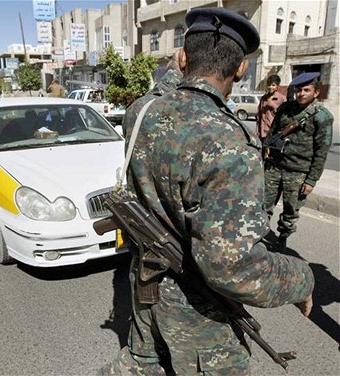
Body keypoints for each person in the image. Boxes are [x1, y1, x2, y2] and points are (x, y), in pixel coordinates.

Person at [100, 8, 314, 375]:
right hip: (197, 317)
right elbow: (233, 268)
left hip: (146, 289)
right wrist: (301, 279)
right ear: (242, 68)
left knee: (142, 365)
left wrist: (178, 69)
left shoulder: (142, 112)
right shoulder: (229, 142)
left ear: (182, 57)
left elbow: (163, 90)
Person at [263, 72, 334, 248]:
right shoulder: (285, 108)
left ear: (316, 92)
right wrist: (266, 149)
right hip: (275, 166)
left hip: (298, 172)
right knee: (263, 204)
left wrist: (311, 180)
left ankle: (281, 239)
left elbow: (321, 151)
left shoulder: (322, 117)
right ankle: (259, 234)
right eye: (299, 90)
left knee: (290, 210)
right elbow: (273, 132)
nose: (301, 93)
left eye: (306, 90)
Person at [256, 74, 287, 142]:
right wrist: (258, 131)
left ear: (277, 86)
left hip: (274, 133)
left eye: (273, 85)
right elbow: (259, 116)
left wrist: (274, 106)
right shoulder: (263, 98)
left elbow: (285, 116)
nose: (270, 87)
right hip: (262, 133)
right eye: (269, 84)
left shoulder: (282, 99)